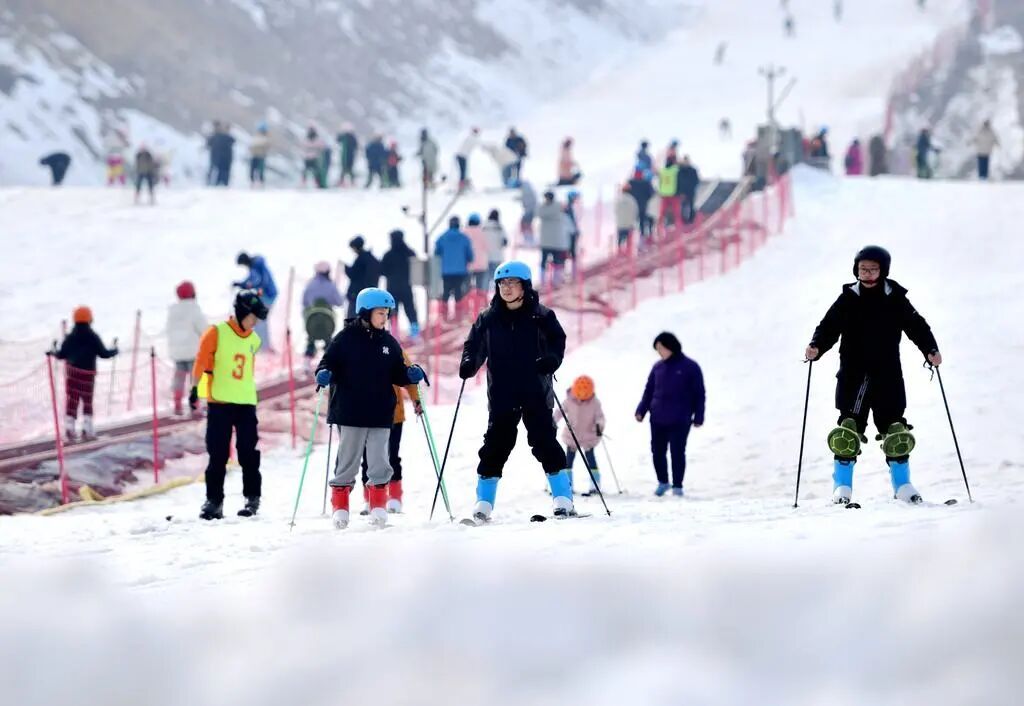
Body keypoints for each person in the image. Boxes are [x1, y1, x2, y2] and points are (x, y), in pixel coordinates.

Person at [805, 246, 941, 506]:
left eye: (872, 269)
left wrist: (930, 350)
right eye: (862, 269)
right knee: (847, 432)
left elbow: (917, 326)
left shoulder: (895, 298)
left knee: (896, 433)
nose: (866, 274)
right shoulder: (848, 298)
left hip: (888, 374)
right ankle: (842, 487)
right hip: (853, 375)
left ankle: (902, 486)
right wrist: (816, 347)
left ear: (883, 271)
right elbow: (828, 327)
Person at [458, 261, 575, 522]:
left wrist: (551, 361)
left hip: (535, 389)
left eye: (512, 283)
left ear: (525, 286)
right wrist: (469, 363)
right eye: (502, 283)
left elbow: (558, 341)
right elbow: (473, 345)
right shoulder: (488, 318)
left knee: (544, 441)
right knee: (495, 446)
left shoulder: (541, 315)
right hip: (502, 392)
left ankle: (563, 498)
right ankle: (484, 503)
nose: (506, 288)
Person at [315, 288, 426, 529]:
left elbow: (398, 371)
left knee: (379, 461)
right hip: (350, 412)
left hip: (380, 413)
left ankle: (378, 504)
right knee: (348, 460)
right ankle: (340, 507)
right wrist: (324, 374)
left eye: (387, 313)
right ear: (365, 313)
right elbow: (327, 363)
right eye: (380, 313)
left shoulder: (388, 342)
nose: (384, 318)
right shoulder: (345, 339)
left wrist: (409, 373)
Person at [190, 290, 268, 520]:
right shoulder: (216, 333)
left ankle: (252, 497)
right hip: (220, 403)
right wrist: (194, 389)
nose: (255, 322)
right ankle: (214, 501)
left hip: (246, 403)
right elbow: (201, 361)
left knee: (248, 452)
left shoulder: (254, 339)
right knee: (217, 454)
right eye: (252, 317)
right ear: (242, 312)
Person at [635, 332, 705, 497]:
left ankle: (677, 486)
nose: (659, 352)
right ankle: (663, 482)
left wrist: (699, 416)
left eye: (660, 348)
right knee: (657, 451)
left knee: (677, 451)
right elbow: (649, 390)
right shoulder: (657, 367)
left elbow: (699, 393)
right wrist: (641, 410)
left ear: (670, 346)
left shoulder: (690, 367)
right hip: (658, 418)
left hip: (680, 418)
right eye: (657, 349)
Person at [358, 350, 423, 514]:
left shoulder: (393, 347)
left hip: (394, 413)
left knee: (392, 454)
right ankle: (369, 497)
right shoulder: (357, 348)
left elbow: (409, 376)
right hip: (367, 414)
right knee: (368, 457)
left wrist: (416, 399)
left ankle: (394, 496)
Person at [53, 306, 119, 441]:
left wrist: (53, 350)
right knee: (87, 401)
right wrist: (114, 350)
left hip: (72, 374)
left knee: (72, 400)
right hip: (88, 375)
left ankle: (70, 428)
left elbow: (61, 355)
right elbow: (104, 354)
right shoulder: (93, 337)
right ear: (90, 319)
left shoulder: (70, 337)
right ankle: (87, 429)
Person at [553, 375, 606, 496]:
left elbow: (600, 417)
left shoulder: (595, 403)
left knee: (591, 460)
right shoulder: (569, 400)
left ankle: (595, 485)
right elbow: (559, 411)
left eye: (585, 395)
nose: (582, 398)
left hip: (588, 436)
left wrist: (599, 425)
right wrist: (553, 420)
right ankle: (568, 485)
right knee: (568, 461)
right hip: (572, 436)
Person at [167, 281, 208, 416]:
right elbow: (204, 329)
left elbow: (168, 330)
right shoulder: (194, 309)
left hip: (177, 352)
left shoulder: (172, 310)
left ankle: (177, 405)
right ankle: (195, 406)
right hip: (193, 351)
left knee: (179, 378)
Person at [302, 261, 344, 372]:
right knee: (328, 342)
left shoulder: (310, 285)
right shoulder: (331, 286)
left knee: (310, 340)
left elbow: (304, 302)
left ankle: (306, 363)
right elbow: (339, 302)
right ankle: (332, 363)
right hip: (328, 322)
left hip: (311, 322)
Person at [379, 229, 420, 337]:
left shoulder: (388, 255)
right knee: (411, 311)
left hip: (392, 289)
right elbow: (416, 269)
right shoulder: (410, 253)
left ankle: (395, 336)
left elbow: (382, 271)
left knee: (393, 313)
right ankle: (415, 334)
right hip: (407, 287)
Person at [234, 252, 278, 349]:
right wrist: (241, 284)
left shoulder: (256, 266)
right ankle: (263, 345)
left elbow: (259, 281)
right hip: (267, 295)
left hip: (268, 295)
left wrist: (248, 286)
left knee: (259, 319)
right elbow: (252, 280)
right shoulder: (256, 265)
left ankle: (264, 347)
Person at [434, 216, 474, 319]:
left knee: (446, 291)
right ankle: (458, 316)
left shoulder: (442, 237)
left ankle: (443, 316)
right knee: (458, 292)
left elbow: (436, 253)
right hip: (460, 271)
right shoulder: (464, 238)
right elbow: (470, 256)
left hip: (446, 270)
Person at [537, 190, 569, 286]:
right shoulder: (559, 207)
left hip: (545, 241)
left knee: (543, 262)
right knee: (557, 262)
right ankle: (556, 281)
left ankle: (542, 281)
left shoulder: (541, 209)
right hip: (557, 241)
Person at [344, 236, 381, 318]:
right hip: (371, 293)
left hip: (357, 294)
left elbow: (353, 274)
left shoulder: (360, 259)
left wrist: (346, 268)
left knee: (352, 318)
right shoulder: (372, 258)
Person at [465, 212, 490, 292]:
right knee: (480, 287)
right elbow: (487, 248)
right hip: (481, 265)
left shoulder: (464, 232)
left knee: (467, 287)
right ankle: (479, 302)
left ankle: (468, 301)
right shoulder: (483, 233)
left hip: (468, 265)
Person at [628, 168, 655, 240]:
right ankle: (643, 238)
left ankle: (630, 240)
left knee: (631, 223)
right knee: (643, 222)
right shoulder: (646, 183)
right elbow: (651, 194)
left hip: (632, 206)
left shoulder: (630, 182)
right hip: (643, 205)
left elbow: (627, 193)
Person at [657, 156, 682, 231]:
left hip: (664, 193)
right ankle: (679, 226)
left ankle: (659, 227)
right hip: (673, 193)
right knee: (676, 211)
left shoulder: (662, 171)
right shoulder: (675, 170)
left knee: (662, 212)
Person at [482, 209, 508, 279]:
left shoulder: (483, 226)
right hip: (497, 257)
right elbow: (505, 242)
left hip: (485, 257)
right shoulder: (500, 227)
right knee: (496, 278)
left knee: (486, 279)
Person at [615, 182, 640, 249]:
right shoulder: (632, 200)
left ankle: (619, 252)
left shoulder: (618, 199)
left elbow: (616, 211)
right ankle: (627, 255)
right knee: (629, 243)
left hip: (620, 224)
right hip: (629, 225)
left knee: (619, 242)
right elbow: (635, 211)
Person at [677, 155, 700, 224]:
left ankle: (691, 220)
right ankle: (684, 220)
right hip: (683, 192)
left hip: (690, 191)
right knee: (683, 206)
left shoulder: (692, 170)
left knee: (690, 205)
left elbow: (696, 180)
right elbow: (678, 182)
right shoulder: (680, 170)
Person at [519, 181, 538, 246]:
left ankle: (528, 239)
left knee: (525, 224)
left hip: (529, 211)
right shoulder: (531, 192)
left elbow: (526, 202)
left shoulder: (526, 192)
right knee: (526, 224)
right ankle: (529, 239)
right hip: (530, 211)